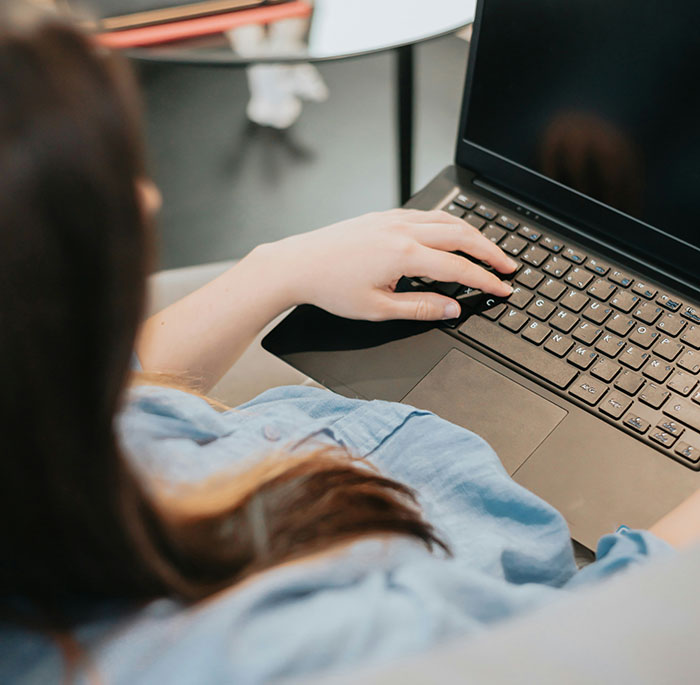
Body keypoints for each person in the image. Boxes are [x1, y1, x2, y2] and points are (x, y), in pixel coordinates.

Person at [1, 9, 699, 685]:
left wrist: (278, 268)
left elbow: (101, 389)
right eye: (103, 178)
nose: (146, 197)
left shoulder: (42, 471)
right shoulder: (318, 644)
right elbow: (599, 647)